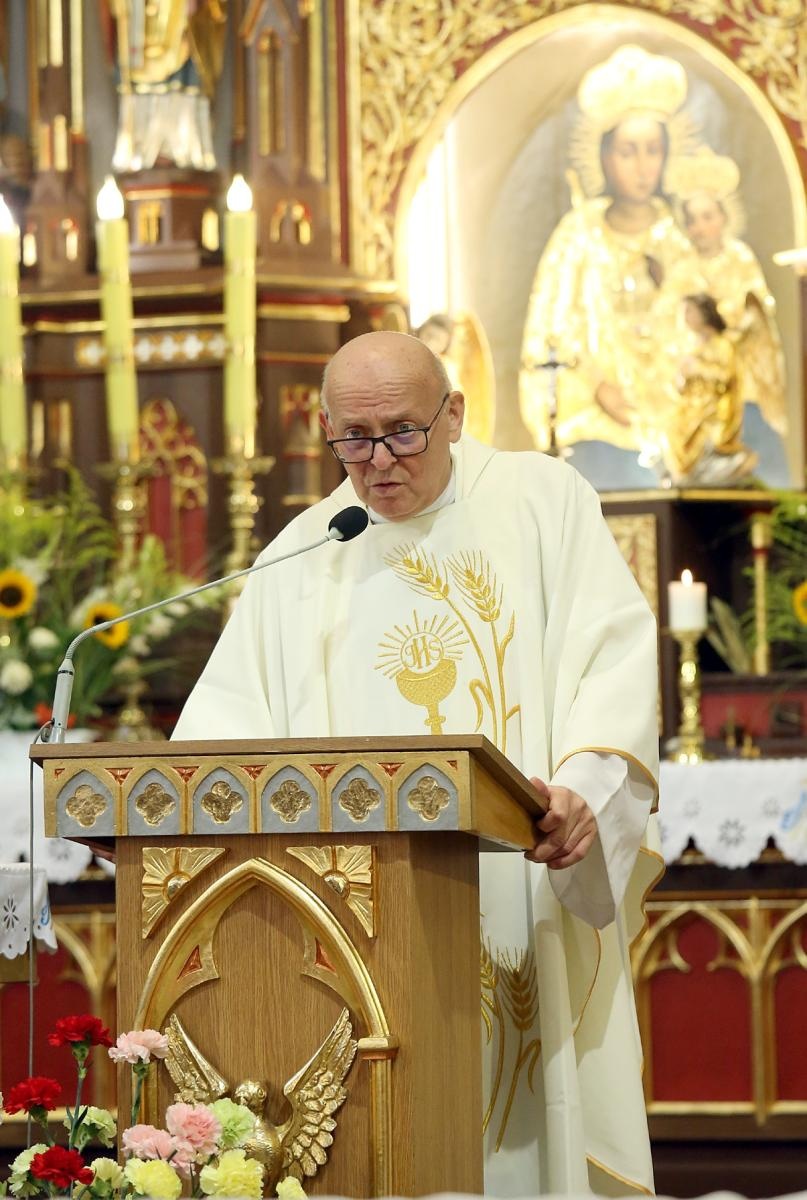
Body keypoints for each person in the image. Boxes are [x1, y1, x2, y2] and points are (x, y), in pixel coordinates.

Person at [174, 330, 662, 1196]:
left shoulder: (541, 501)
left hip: (519, 888)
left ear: (454, 414)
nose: (377, 463)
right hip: (351, 931)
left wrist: (582, 791)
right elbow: (218, 743)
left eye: (402, 432)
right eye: (353, 440)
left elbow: (610, 660)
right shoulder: (304, 551)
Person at [519, 45, 694, 489]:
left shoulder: (679, 236)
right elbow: (552, 332)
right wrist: (598, 388)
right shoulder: (579, 234)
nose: (642, 167)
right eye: (628, 151)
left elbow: (706, 329)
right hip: (595, 423)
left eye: (653, 150)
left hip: (673, 411)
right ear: (604, 156)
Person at [664, 148, 790, 484]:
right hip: (697, 377)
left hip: (736, 366)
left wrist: (727, 341)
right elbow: (669, 322)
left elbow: (756, 312)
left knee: (737, 426)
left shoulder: (739, 258)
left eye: (708, 216)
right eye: (692, 220)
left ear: (723, 217)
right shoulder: (683, 269)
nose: (700, 227)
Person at [663, 293, 756, 485]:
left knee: (699, 434)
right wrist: (681, 380)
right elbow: (679, 387)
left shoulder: (722, 345)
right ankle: (683, 474)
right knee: (672, 430)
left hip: (713, 409)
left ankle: (702, 470)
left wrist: (699, 367)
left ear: (704, 313)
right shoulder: (691, 348)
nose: (684, 317)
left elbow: (726, 376)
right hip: (691, 407)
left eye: (689, 311)